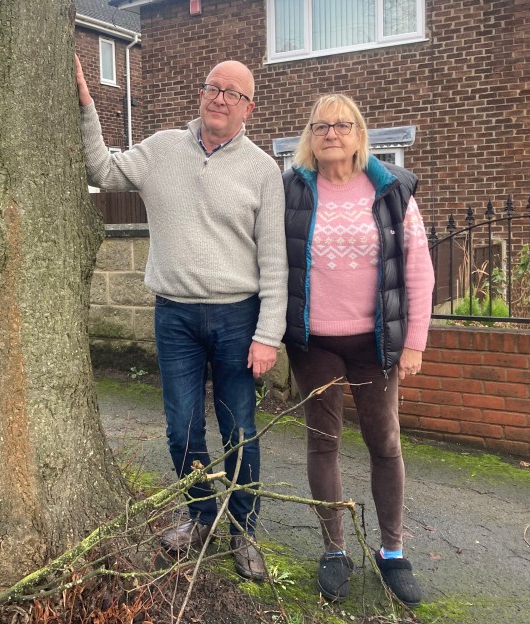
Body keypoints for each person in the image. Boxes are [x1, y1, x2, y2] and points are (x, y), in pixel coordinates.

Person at [75, 55, 287, 580]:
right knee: (182, 430)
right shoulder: (162, 149)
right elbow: (102, 170)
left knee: (240, 430)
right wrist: (86, 107)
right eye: (213, 87)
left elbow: (275, 261)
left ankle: (243, 532)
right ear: (202, 94)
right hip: (175, 318)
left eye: (233, 93)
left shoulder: (263, 171)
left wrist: (268, 336)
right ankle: (200, 517)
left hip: (239, 318)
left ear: (248, 109)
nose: (220, 98)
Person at [282, 94, 435, 606]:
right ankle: (334, 550)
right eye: (321, 126)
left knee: (384, 442)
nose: (332, 133)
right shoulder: (292, 192)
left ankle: (392, 552)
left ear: (359, 133)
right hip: (314, 343)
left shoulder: (392, 189)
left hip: (375, 345)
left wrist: (414, 341)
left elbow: (418, 269)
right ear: (309, 135)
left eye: (342, 125)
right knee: (323, 442)